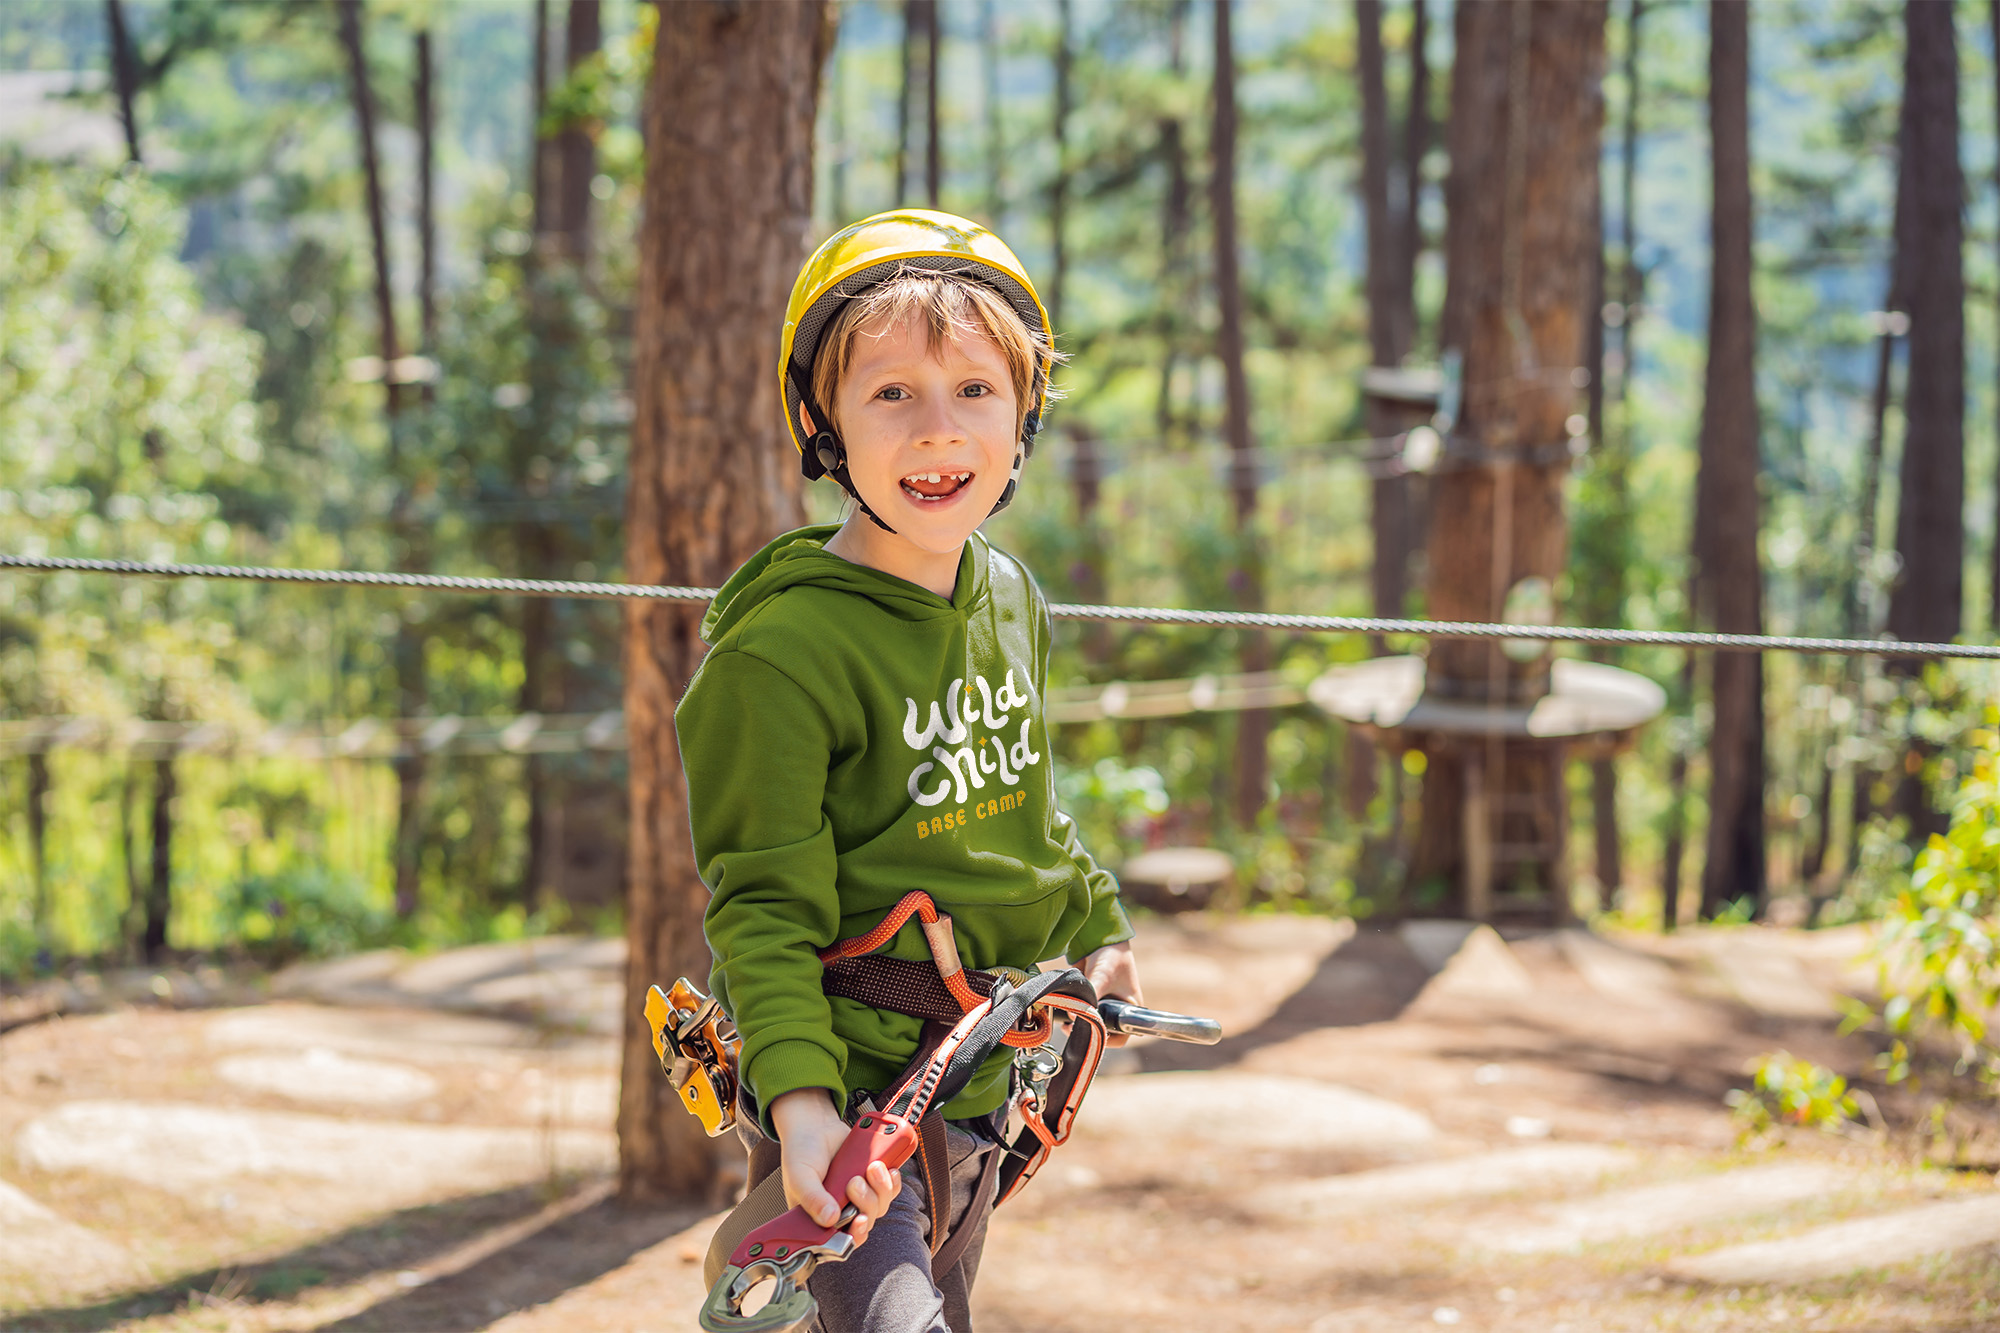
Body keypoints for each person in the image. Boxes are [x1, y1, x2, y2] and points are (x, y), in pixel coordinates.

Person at [675, 209, 1142, 1333]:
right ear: (818, 420)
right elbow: (764, 911)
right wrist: (797, 1111)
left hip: (979, 1083)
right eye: (890, 393)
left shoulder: (1008, 595)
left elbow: (1018, 803)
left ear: (1023, 413)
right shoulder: (782, 655)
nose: (940, 432)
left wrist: (1097, 922)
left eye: (976, 390)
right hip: (846, 1098)